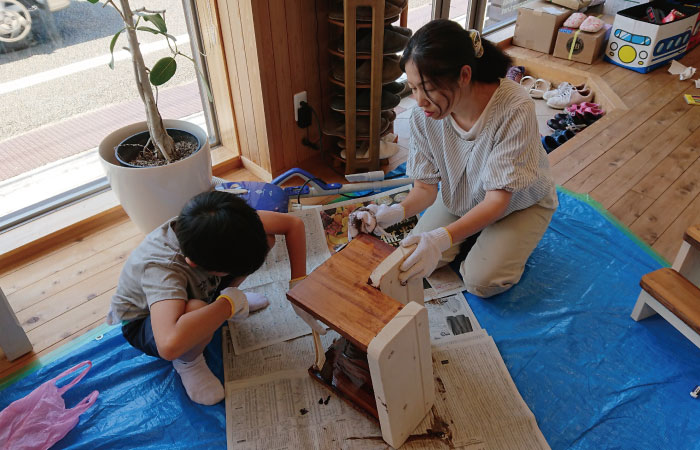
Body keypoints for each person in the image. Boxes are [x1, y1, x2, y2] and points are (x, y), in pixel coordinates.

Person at [350, 19, 558, 298]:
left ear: (464, 75)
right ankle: (472, 235)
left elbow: (498, 201)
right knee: (410, 259)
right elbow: (425, 189)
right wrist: (394, 213)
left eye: (428, 88)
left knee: (481, 282)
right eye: (413, 88)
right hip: (463, 197)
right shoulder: (423, 117)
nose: (420, 100)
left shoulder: (513, 107)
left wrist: (442, 238)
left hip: (519, 202)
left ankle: (489, 237)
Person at [106, 190, 307, 405]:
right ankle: (188, 362)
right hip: (148, 322)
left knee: (265, 239)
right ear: (195, 264)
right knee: (195, 308)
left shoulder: (223, 224)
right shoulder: (162, 270)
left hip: (198, 287)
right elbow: (168, 344)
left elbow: (293, 225)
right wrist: (227, 305)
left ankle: (221, 303)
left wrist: (298, 285)